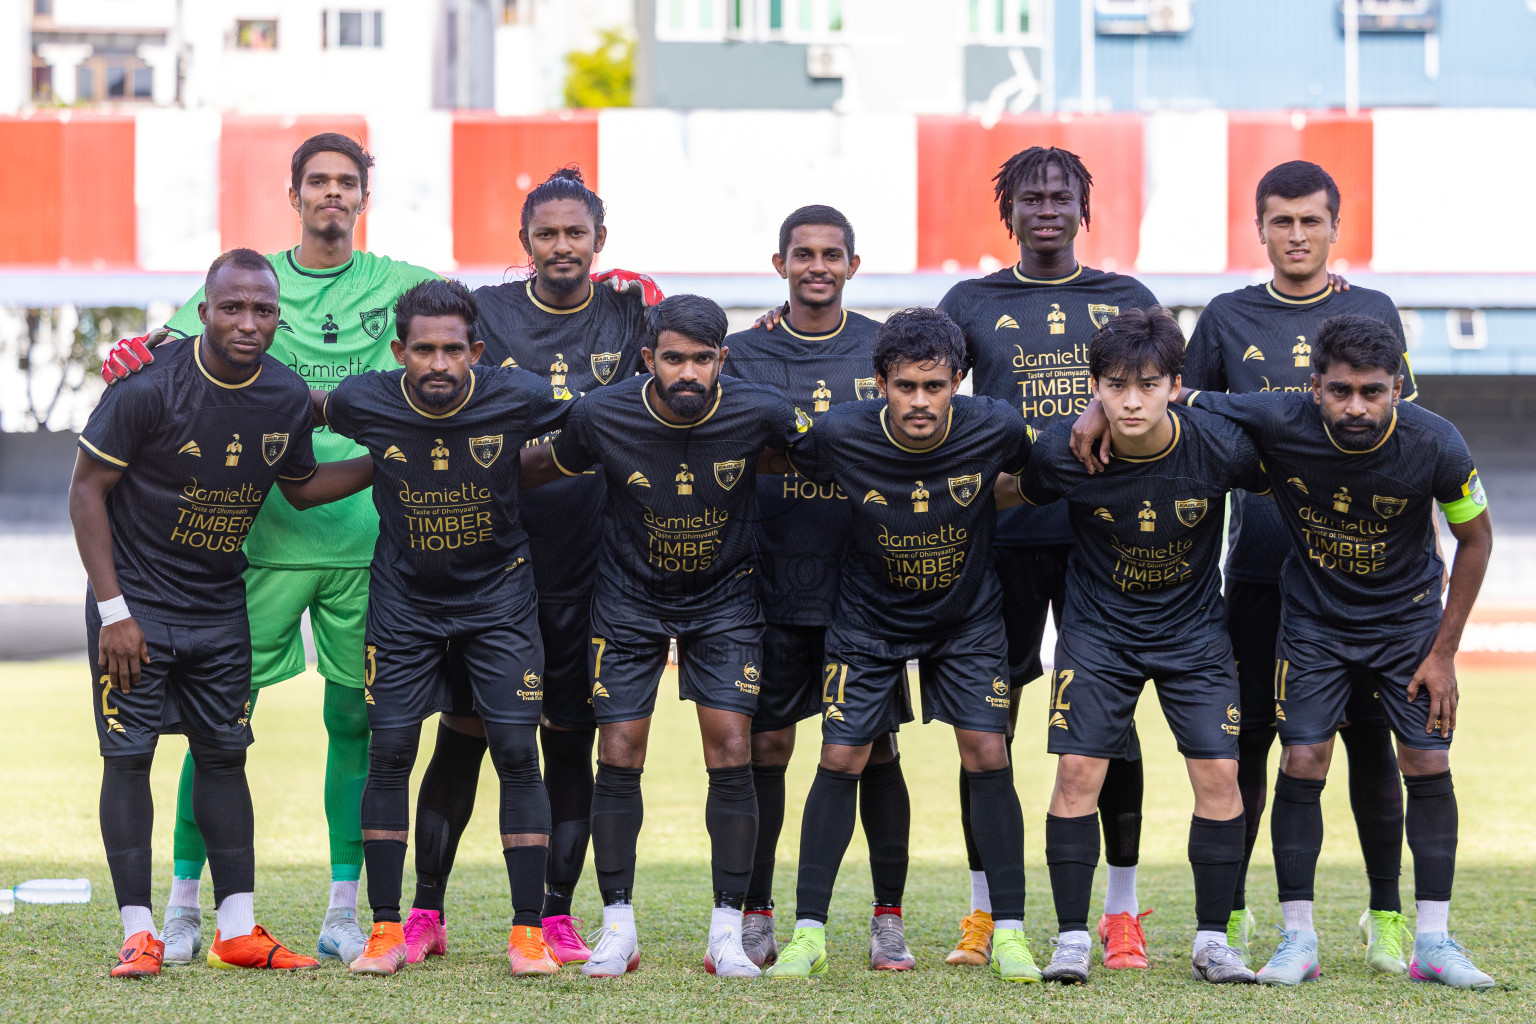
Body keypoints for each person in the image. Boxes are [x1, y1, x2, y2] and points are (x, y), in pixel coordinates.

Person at [100, 133, 441, 964]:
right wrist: (129, 351)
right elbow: (163, 351)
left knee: (356, 721)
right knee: (213, 728)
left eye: (346, 182)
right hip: (256, 544)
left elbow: (484, 321)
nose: (333, 193)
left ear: (365, 195)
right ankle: (184, 905)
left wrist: (623, 299)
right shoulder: (250, 282)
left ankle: (342, 907)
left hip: (366, 546)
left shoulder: (400, 284)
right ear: (294, 193)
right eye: (317, 181)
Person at [68, 249, 374, 977]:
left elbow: (300, 485)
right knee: (130, 756)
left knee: (224, 755)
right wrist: (113, 611)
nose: (248, 322)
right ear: (202, 312)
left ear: (278, 317)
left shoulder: (285, 395)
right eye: (232, 308)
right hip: (134, 607)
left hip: (217, 605)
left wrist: (388, 459)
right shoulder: (146, 388)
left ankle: (237, 928)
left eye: (262, 310)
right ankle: (139, 929)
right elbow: (85, 493)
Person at [1180, 314, 1494, 990]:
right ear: (1314, 387)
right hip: (1314, 624)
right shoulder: (1280, 418)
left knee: (1424, 757)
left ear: (1397, 388)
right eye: (1342, 390)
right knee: (1303, 756)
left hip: (1407, 624)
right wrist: (1094, 410)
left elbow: (1476, 541)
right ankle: (1299, 941)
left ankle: (1434, 941)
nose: (1357, 407)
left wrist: (1443, 653)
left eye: (1373, 392)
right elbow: (1182, 398)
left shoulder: (1437, 442)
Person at [398, 167, 658, 968]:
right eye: (545, 234)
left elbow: (688, 359)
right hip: (493, 563)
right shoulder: (487, 314)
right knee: (467, 733)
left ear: (600, 242)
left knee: (569, 740)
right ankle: (425, 911)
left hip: (596, 564)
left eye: (575, 233)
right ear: (525, 245)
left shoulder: (628, 310)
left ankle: (554, 917)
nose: (561, 248)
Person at [519, 294, 812, 979]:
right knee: (619, 747)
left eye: (702, 360)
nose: (688, 372)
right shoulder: (601, 413)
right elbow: (542, 466)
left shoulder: (760, 411)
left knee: (731, 746)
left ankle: (726, 935)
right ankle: (617, 928)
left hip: (727, 599)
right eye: (673, 358)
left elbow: (838, 449)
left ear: (722, 361)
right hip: (626, 598)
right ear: (649, 358)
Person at [1179, 160, 1420, 968]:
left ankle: (1386, 914)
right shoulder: (1224, 317)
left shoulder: (1373, 311)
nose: (1296, 235)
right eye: (1280, 221)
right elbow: (1191, 430)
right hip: (1258, 570)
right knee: (1249, 743)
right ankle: (1241, 911)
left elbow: (1406, 442)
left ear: (1333, 225)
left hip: (1359, 581)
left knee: (1368, 744)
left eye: (1310, 220)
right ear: (1260, 228)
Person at [763, 307, 1039, 983]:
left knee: (987, 751)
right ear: (880, 381)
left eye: (936, 386)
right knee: (840, 755)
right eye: (907, 386)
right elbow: (773, 445)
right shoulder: (839, 433)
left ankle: (1008, 934)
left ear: (958, 383)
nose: (921, 401)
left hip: (966, 617)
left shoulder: (996, 424)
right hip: (867, 618)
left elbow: (1042, 467)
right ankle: (809, 934)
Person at [312, 278, 575, 977]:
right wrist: (168, 359)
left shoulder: (514, 396)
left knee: (518, 750)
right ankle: (387, 929)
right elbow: (284, 401)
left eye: (451, 350)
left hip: (499, 599)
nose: (436, 363)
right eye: (421, 349)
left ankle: (526, 934)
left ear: (475, 351)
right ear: (399, 351)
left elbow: (605, 413)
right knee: (392, 747)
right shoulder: (367, 398)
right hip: (405, 602)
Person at [935, 145, 1155, 969]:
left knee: (1111, 726)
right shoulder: (971, 300)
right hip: (1001, 544)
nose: (1048, 208)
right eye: (1032, 197)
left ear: (1084, 205)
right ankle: (986, 911)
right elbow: (914, 378)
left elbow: (1171, 385)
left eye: (1063, 195)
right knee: (987, 728)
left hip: (1107, 542)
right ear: (1010, 210)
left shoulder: (1125, 298)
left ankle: (1121, 911)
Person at [1005, 307, 1264, 985]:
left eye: (1148, 384)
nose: (1130, 400)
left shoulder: (1221, 446)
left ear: (1176, 385)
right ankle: (1070, 941)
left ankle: (1212, 942)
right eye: (1115, 385)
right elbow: (1011, 492)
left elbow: (1292, 448)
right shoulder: (1066, 448)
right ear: (1093, 386)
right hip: (1099, 634)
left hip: (1194, 635)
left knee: (1219, 778)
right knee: (1076, 778)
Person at [724, 205, 913, 970]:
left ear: (853, 265)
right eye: (803, 254)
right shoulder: (742, 352)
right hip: (769, 578)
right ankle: (759, 912)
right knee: (767, 743)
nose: (817, 267)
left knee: (873, 750)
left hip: (865, 580)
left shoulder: (883, 347)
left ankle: (887, 917)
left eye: (832, 254)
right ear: (779, 265)